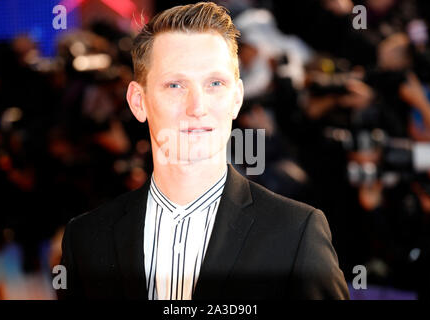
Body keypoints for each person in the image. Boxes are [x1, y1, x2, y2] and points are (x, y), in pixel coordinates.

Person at [58, 2, 349, 300]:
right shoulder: (87, 239)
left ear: (237, 98)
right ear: (138, 101)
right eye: (174, 85)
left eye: (214, 83)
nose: (196, 107)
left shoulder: (296, 233)